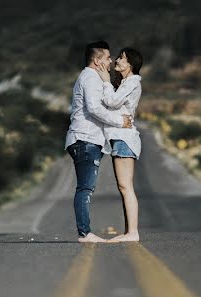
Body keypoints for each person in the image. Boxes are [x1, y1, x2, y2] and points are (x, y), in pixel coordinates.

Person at [64, 41, 134, 243]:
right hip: (85, 139)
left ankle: (85, 232)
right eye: (107, 57)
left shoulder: (91, 77)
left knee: (85, 187)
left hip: (85, 139)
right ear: (97, 61)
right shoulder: (90, 78)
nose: (111, 61)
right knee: (85, 188)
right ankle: (85, 233)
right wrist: (120, 121)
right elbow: (95, 108)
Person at [98, 48, 143, 243]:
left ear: (130, 64)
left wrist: (106, 82)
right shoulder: (125, 83)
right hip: (120, 137)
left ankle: (132, 233)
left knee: (126, 187)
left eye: (121, 58)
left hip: (125, 138)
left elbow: (112, 102)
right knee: (123, 186)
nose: (117, 60)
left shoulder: (132, 82)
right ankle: (129, 232)